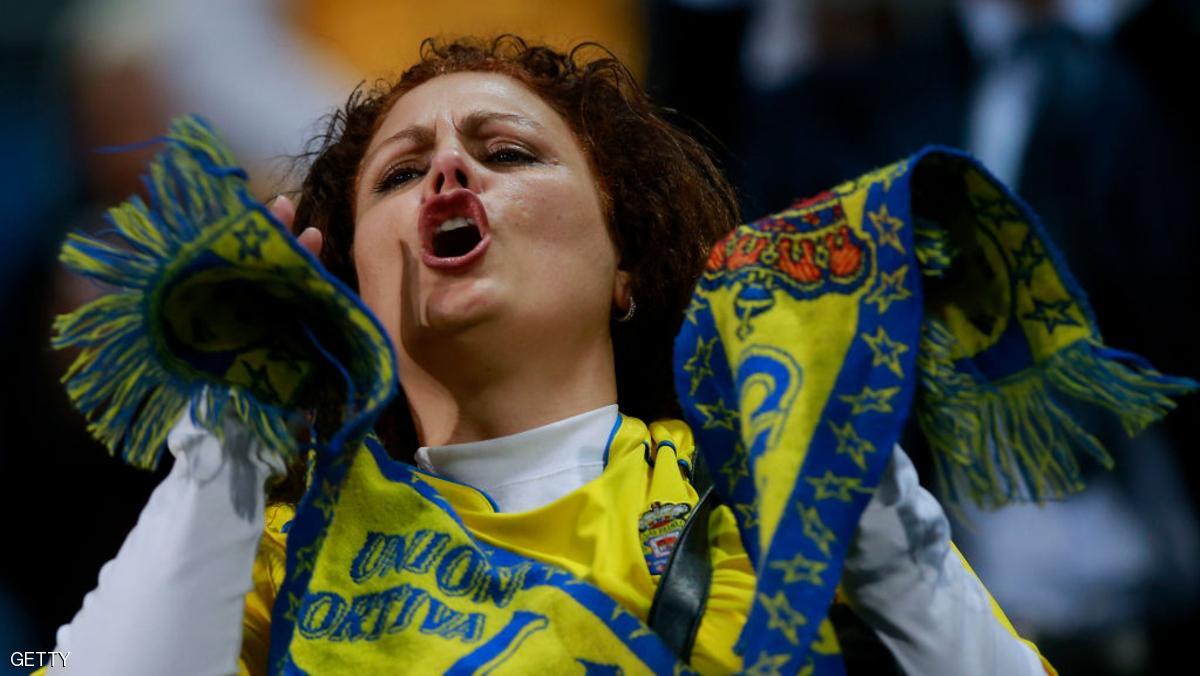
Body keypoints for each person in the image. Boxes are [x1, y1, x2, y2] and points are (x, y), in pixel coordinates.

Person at [43, 36, 1052, 675]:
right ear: (353, 285)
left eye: (509, 152)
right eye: (399, 173)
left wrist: (865, 488)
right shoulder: (284, 555)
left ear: (627, 264)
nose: (447, 169)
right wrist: (228, 437)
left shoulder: (760, 511)